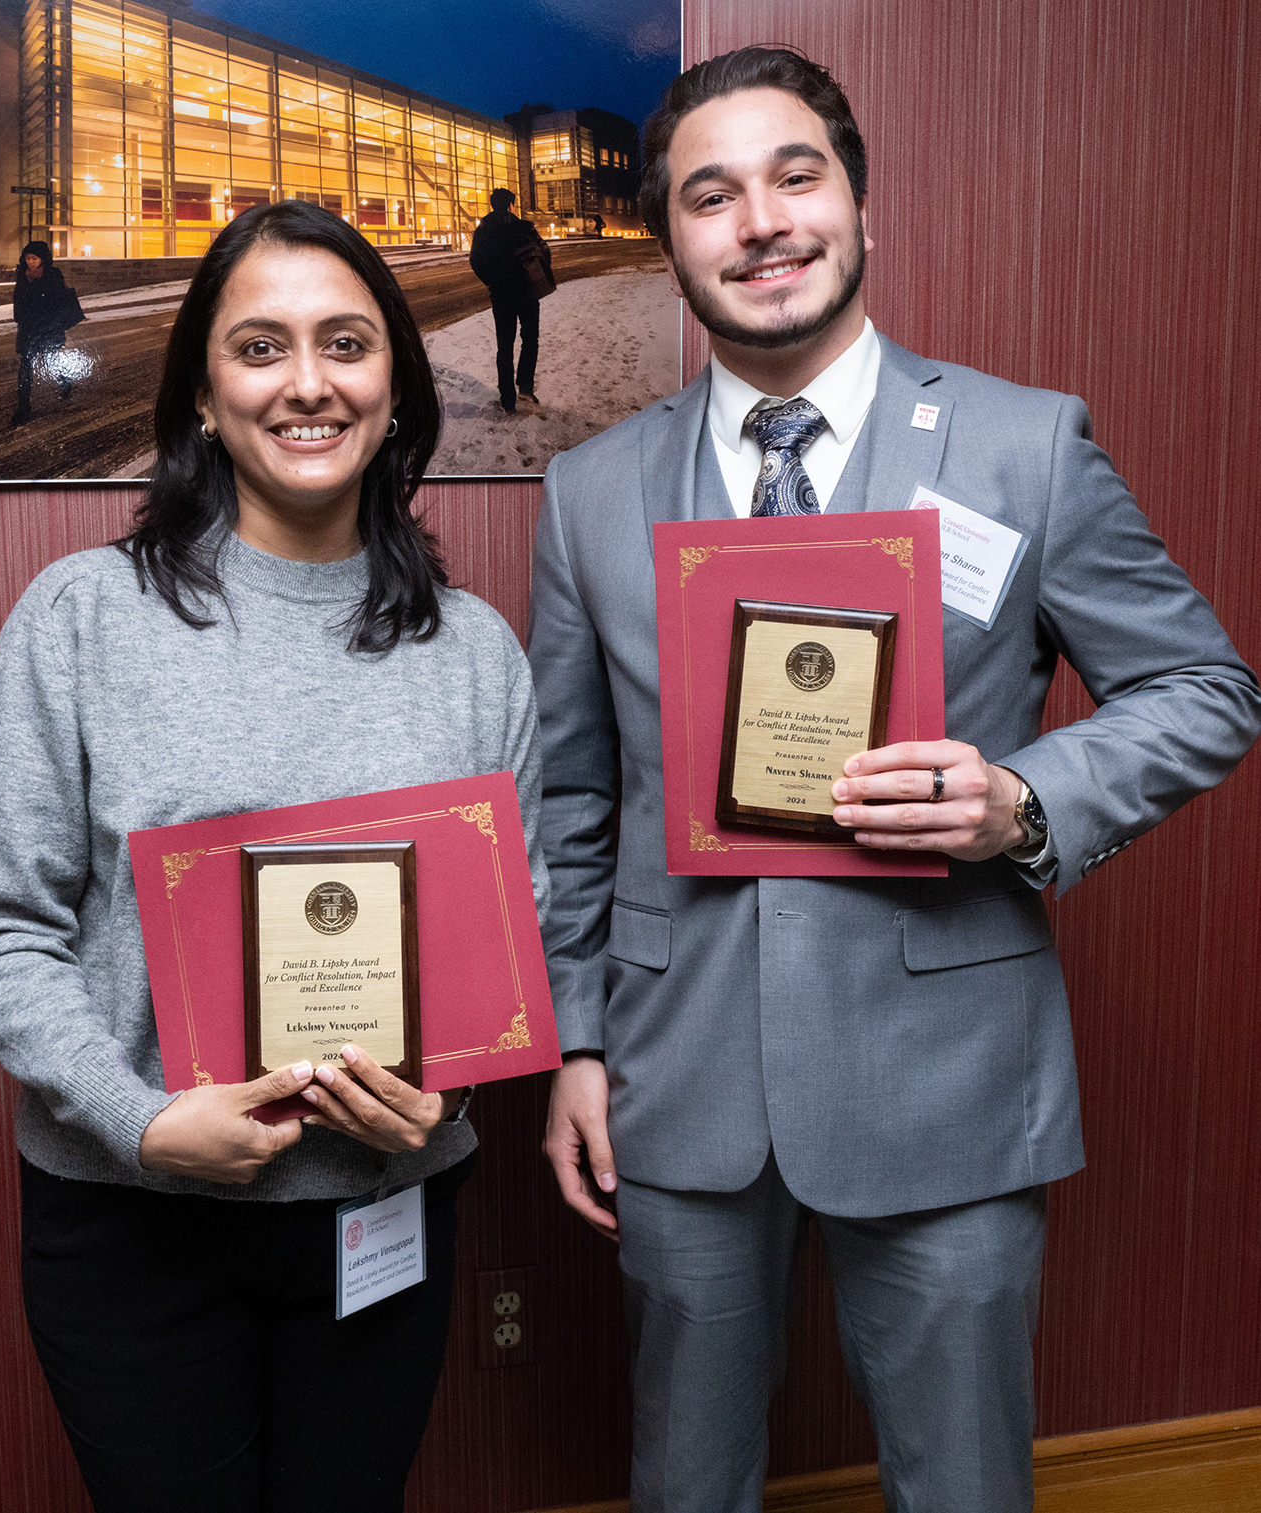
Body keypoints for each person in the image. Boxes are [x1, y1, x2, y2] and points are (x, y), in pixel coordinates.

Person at [527, 47, 1261, 1513]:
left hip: (947, 1077)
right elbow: (571, 800)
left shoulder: (1021, 446)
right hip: (678, 1086)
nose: (762, 224)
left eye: (797, 178)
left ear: (862, 206)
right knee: (685, 1478)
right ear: (670, 241)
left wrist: (1021, 803)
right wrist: (579, 1043)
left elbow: (1204, 687)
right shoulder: (591, 490)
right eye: (711, 196)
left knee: (963, 1485)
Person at [0, 200, 547, 1513]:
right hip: (132, 1227)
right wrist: (142, 1119)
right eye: (260, 347)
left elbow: (517, 932)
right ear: (204, 390)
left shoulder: (480, 652)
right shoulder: (83, 618)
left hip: (382, 1221)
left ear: (397, 380)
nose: (309, 383)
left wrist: (452, 1095)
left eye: (346, 343)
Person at [469, 187, 550, 413]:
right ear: (511, 204)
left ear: (493, 204)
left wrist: (492, 281)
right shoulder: (524, 227)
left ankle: (508, 400)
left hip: (501, 295)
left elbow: (475, 260)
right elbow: (545, 253)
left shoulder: (483, 230)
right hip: (527, 292)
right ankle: (525, 387)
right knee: (530, 339)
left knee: (504, 347)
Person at [10, 239, 80, 426]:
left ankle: (64, 379)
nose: (31, 262)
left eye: (35, 258)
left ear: (43, 259)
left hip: (48, 327)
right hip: (29, 328)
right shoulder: (22, 275)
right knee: (25, 366)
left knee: (51, 359)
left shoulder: (53, 274)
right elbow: (18, 299)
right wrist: (21, 318)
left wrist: (53, 323)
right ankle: (23, 407)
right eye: (28, 258)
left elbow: (58, 301)